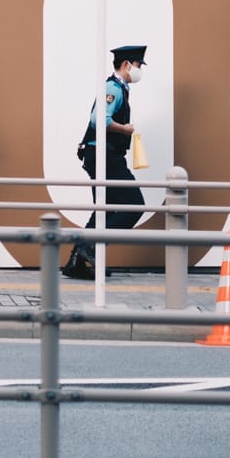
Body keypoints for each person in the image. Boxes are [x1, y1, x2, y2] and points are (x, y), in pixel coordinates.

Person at [62, 45, 148, 281]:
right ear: (127, 64)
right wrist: (125, 129)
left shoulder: (119, 87)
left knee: (104, 207)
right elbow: (98, 120)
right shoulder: (113, 87)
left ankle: (77, 262)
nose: (140, 70)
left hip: (99, 153)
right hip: (103, 154)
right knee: (134, 204)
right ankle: (89, 249)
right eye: (139, 65)